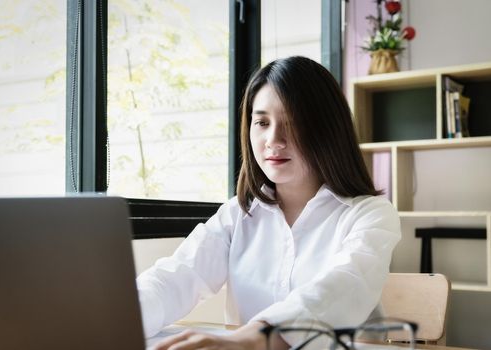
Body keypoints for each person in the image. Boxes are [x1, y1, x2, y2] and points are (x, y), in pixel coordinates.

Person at [136, 56, 401, 350]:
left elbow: (343, 284)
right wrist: (114, 318)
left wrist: (252, 339)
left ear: (328, 130)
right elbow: (177, 276)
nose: (273, 139)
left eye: (293, 122)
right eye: (262, 121)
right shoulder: (237, 214)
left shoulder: (370, 214)